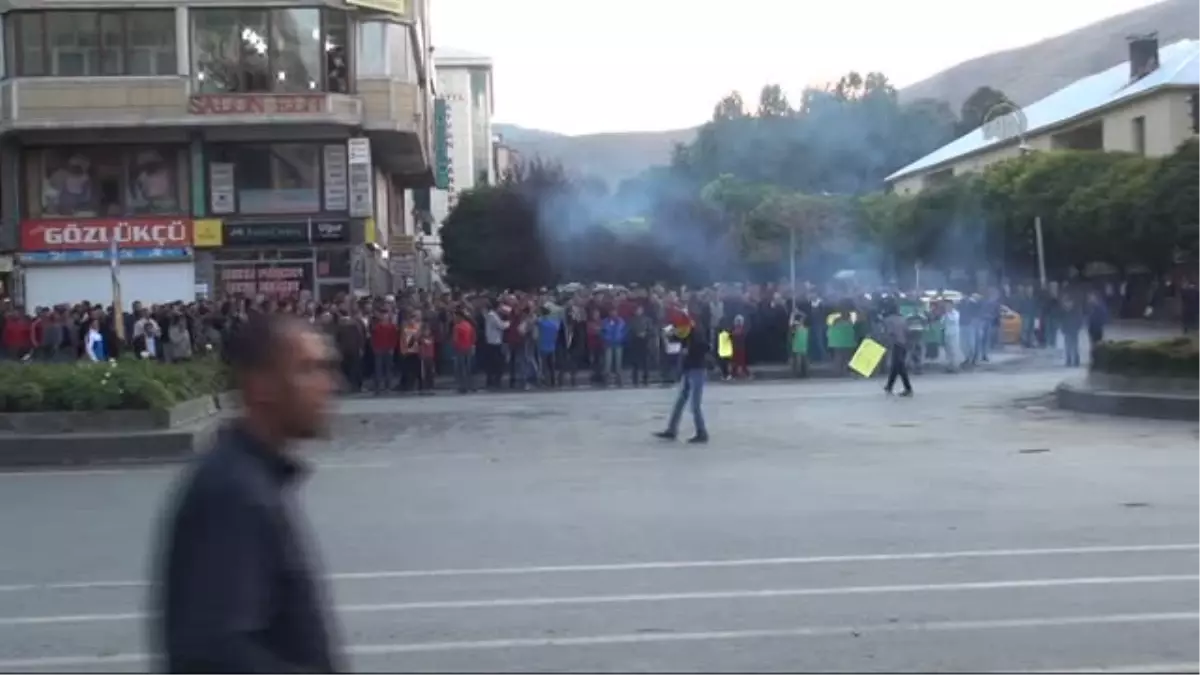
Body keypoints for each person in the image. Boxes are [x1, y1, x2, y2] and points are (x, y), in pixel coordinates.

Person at [151, 313, 342, 672]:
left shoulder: (255, 479)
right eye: (308, 369)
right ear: (261, 385)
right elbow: (213, 651)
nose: (327, 384)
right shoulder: (233, 493)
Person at [654, 319, 710, 444]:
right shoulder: (686, 333)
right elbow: (675, 339)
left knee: (695, 404)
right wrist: (667, 335)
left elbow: (705, 347)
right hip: (689, 369)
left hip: (697, 370)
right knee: (681, 401)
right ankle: (672, 430)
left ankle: (702, 431)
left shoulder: (697, 335)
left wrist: (690, 350)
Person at [882, 302, 914, 397]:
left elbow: (889, 333)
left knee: (900, 367)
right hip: (903, 344)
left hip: (895, 344)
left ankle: (908, 388)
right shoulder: (903, 319)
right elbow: (908, 332)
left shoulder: (888, 320)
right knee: (895, 367)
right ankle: (889, 386)